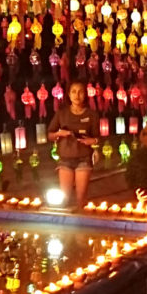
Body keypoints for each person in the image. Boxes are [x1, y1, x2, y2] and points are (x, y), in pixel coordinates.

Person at [47, 80, 100, 208]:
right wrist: (60, 134)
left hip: (84, 159)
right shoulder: (62, 113)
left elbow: (97, 138)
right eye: (74, 92)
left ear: (85, 95)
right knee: (64, 199)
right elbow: (50, 135)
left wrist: (92, 141)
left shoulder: (91, 115)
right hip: (65, 159)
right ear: (69, 95)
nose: (77, 95)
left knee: (81, 199)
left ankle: (83, 221)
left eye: (80, 92)